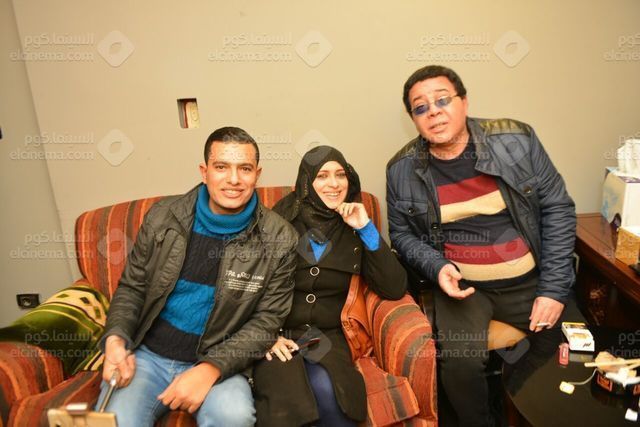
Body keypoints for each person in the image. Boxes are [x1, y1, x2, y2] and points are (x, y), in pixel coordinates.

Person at [386, 65, 577, 427]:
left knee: (574, 349)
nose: (433, 112)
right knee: (459, 367)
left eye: (442, 100)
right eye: (421, 107)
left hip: (530, 281)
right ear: (413, 119)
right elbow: (402, 235)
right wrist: (437, 267)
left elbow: (557, 208)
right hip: (465, 290)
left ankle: (517, 407)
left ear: (464, 102)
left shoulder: (516, 141)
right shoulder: (401, 169)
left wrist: (553, 290)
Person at [97, 127, 298, 427]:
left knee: (234, 417)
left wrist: (210, 369)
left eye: (244, 169)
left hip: (221, 359)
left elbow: (267, 320)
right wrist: (115, 341)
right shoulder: (163, 216)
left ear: (257, 174)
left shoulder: (280, 238)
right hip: (149, 356)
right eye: (221, 167)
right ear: (204, 172)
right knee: (115, 421)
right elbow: (132, 287)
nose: (234, 179)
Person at [253, 146, 407, 427]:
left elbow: (394, 287)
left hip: (327, 337)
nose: (334, 184)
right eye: (322, 176)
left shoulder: (355, 225)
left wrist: (365, 227)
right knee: (288, 403)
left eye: (340, 175)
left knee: (331, 391)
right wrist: (265, 335)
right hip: (277, 332)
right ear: (306, 182)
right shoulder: (277, 222)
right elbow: (250, 287)